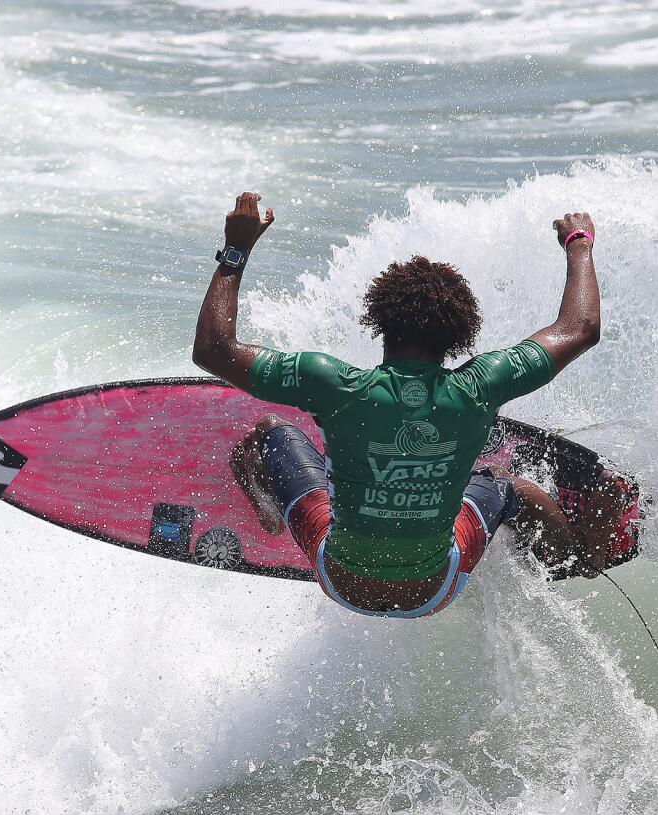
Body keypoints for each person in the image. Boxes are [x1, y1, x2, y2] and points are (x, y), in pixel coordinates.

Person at [192, 191, 624, 618]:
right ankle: (581, 557)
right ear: (461, 334)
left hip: (340, 579)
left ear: (380, 322)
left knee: (270, 430)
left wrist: (237, 249)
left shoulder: (332, 385)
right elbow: (580, 328)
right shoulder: (480, 386)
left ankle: (265, 502)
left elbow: (213, 350)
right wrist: (579, 243)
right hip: (433, 589)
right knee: (503, 485)